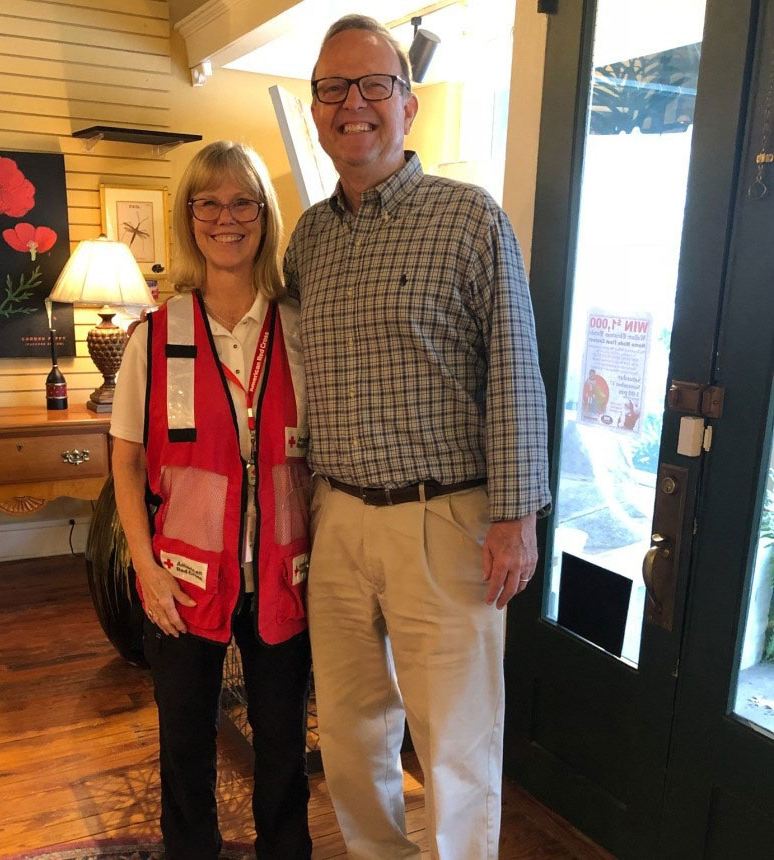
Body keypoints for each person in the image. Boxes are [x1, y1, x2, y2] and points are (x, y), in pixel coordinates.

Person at [283, 15, 551, 860]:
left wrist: (517, 517)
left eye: (373, 86)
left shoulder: (469, 219)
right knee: (354, 731)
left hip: (447, 519)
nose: (352, 104)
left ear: (410, 105)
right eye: (333, 88)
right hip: (338, 519)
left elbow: (515, 371)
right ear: (316, 108)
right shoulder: (309, 239)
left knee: (456, 741)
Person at [111, 141, 312, 860]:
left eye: (243, 202)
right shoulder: (156, 336)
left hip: (285, 581)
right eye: (209, 203)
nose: (226, 218)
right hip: (184, 582)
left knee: (284, 743)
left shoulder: (301, 329)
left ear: (264, 216)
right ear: (188, 216)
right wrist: (146, 565)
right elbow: (127, 458)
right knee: (185, 744)